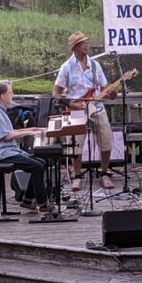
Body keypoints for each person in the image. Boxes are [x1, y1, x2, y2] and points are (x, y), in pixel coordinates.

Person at [53, 31, 117, 192]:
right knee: (74, 145)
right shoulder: (66, 67)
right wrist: (74, 105)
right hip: (76, 108)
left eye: (86, 43)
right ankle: (77, 176)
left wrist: (111, 93)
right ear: (75, 47)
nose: (86, 46)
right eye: (83, 43)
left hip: (96, 107)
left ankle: (104, 173)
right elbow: (56, 93)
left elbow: (103, 89)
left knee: (106, 139)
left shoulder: (95, 65)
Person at [0, 80, 50, 212]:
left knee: (41, 162)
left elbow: (9, 132)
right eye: (11, 92)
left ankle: (28, 200)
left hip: (6, 150)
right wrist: (28, 132)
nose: (13, 95)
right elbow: (5, 136)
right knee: (37, 166)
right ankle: (43, 204)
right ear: (2, 96)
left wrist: (32, 129)